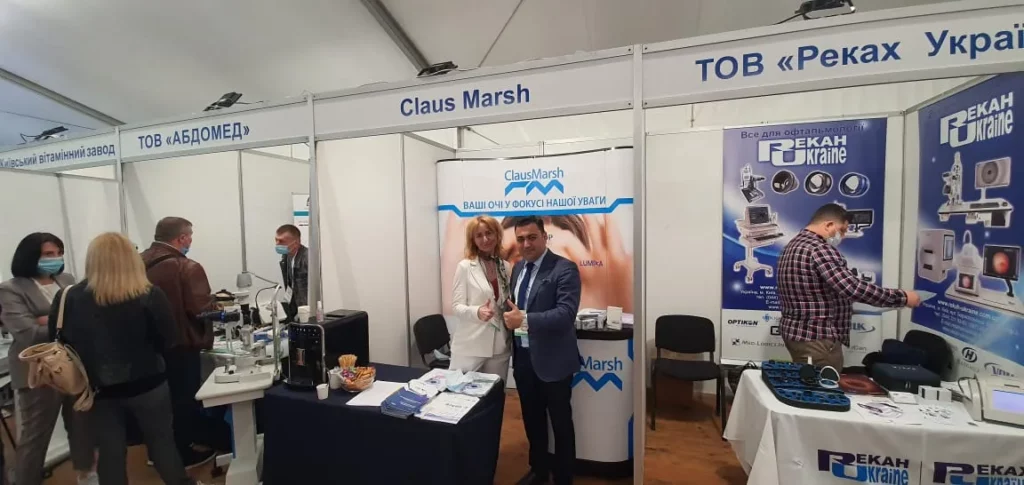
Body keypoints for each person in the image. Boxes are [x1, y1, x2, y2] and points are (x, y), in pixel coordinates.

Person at [50, 232, 205, 485]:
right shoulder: (149, 294)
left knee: (110, 452)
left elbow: (59, 340)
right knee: (161, 443)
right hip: (148, 384)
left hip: (96, 389)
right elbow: (169, 339)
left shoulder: (68, 297)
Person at [0, 232, 96, 485]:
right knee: (34, 436)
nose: (56, 258)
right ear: (30, 256)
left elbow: (87, 316)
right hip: (38, 372)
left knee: (82, 427)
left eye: (58, 253)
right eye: (48, 254)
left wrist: (46, 320)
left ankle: (87, 475)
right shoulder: (10, 289)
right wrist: (64, 321)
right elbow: (27, 333)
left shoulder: (67, 280)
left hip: (73, 366)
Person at [777, 203, 921, 369]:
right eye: (842, 230)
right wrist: (903, 297)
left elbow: (813, 292)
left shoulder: (792, 245)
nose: (843, 236)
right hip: (817, 338)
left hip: (797, 333)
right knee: (824, 384)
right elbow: (852, 288)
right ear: (828, 225)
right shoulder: (819, 249)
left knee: (808, 381)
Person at [502, 216, 582, 485]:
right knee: (532, 420)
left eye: (532, 237)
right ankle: (538, 471)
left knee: (561, 424)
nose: (526, 244)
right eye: (521, 239)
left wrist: (524, 320)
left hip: (554, 362)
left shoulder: (564, 269)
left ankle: (563, 478)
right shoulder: (517, 268)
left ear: (544, 237)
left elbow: (565, 314)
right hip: (524, 359)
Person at [140, 217, 217, 468]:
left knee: (157, 403)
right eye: (190, 236)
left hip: (146, 346)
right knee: (182, 400)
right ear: (181, 238)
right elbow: (200, 309)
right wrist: (217, 306)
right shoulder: (187, 268)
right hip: (181, 344)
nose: (191, 241)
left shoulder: (136, 263)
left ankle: (156, 452)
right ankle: (183, 454)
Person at [450, 215, 513, 376]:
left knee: (496, 391)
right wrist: (477, 311)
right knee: (461, 391)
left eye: (489, 233)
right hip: (470, 346)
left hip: (500, 346)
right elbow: (456, 307)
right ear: (473, 240)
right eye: (479, 235)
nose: (485, 239)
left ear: (497, 234)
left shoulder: (505, 267)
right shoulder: (465, 267)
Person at [275, 224, 308, 322]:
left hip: (307, 311)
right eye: (276, 240)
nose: (277, 244)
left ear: (296, 243)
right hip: (294, 308)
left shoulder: (308, 258)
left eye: (281, 241)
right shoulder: (286, 257)